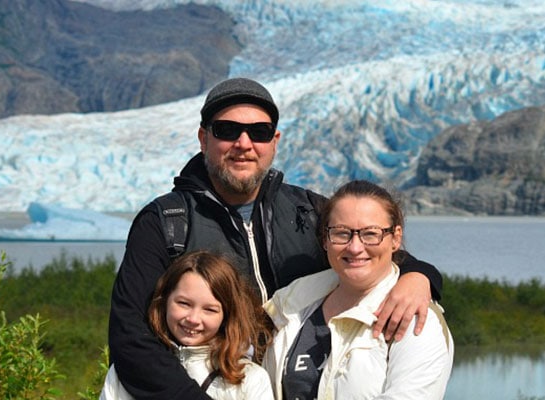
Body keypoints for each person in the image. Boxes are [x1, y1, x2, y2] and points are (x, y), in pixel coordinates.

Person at [108, 77, 444, 399]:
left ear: (275, 141)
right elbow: (129, 336)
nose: (244, 143)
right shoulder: (166, 223)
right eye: (227, 131)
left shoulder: (309, 210)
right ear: (203, 138)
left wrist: (420, 276)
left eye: (259, 132)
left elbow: (371, 251)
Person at [263, 180, 453, 399]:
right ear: (325, 239)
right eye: (342, 233)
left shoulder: (416, 319)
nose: (355, 247)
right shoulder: (291, 304)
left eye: (371, 234)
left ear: (396, 238)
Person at [101, 251, 273, 400]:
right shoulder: (130, 370)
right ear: (165, 300)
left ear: (227, 316)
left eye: (210, 310)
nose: (193, 318)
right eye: (184, 303)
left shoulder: (249, 378)